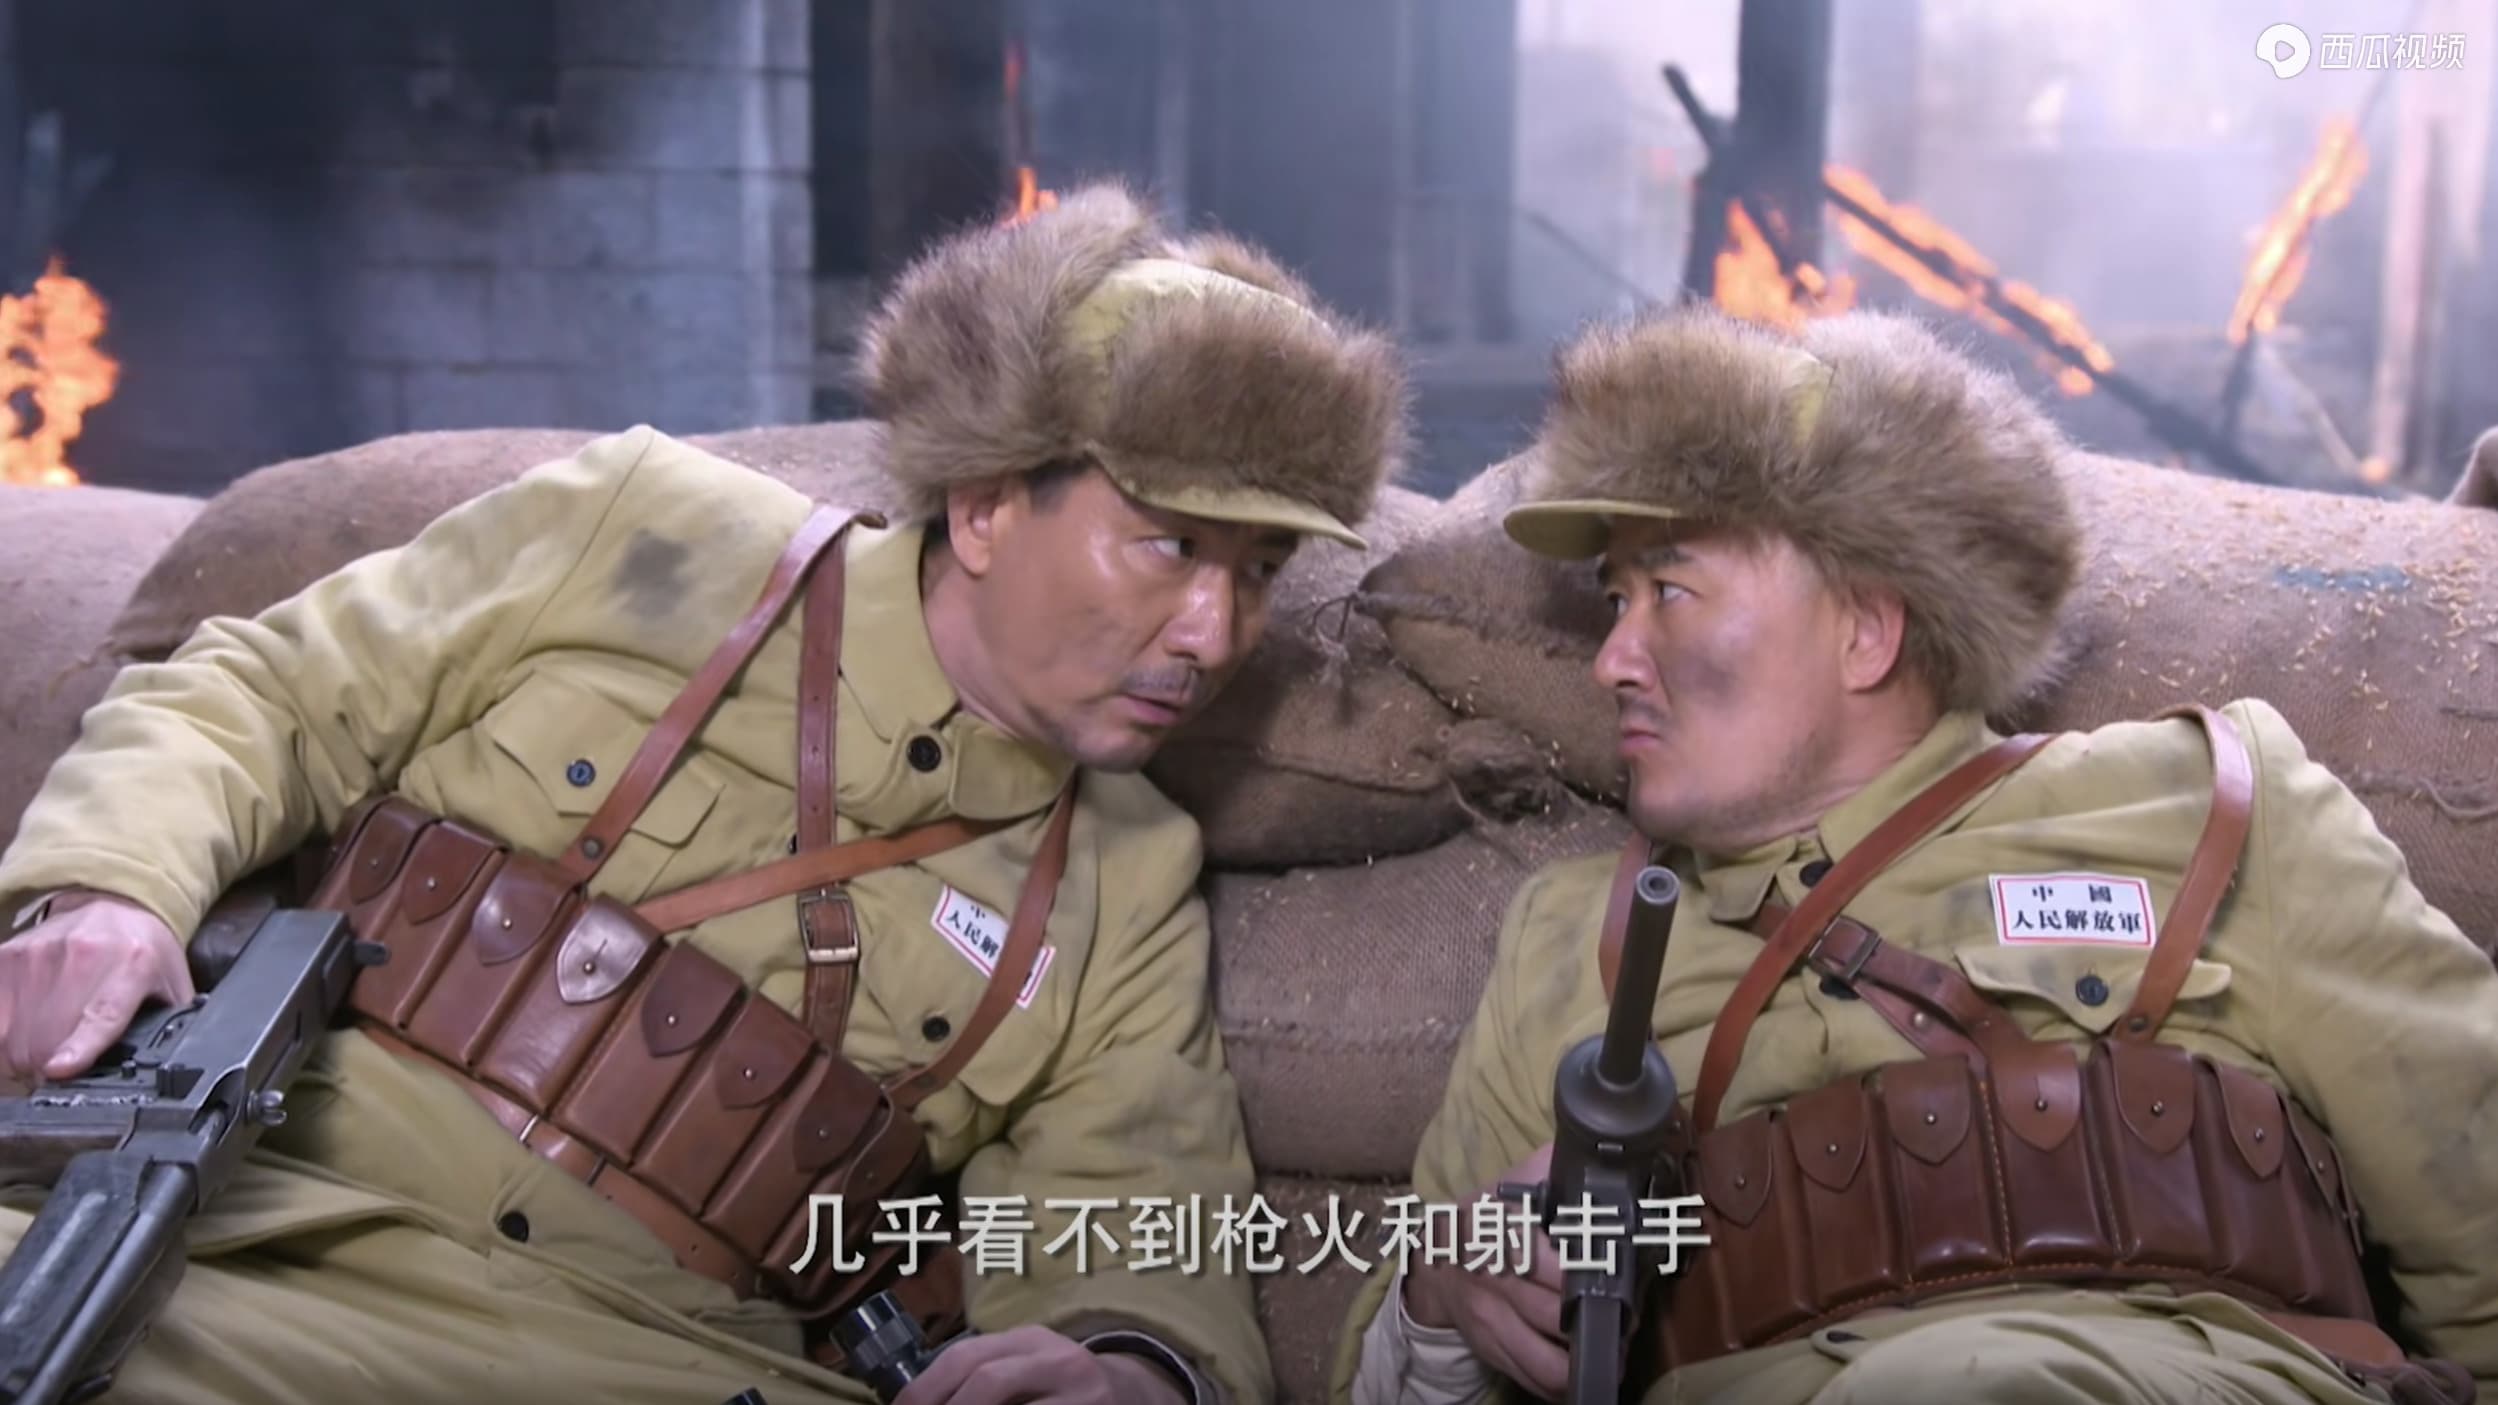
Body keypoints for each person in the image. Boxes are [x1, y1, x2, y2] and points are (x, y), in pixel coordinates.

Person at [0, 182, 1408, 1405]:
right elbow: (263, 694)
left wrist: (1129, 1364)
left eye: (1259, 573)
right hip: (247, 1231)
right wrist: (110, 887)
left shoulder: (1126, 878)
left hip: (649, 1357)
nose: (1215, 634)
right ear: (986, 505)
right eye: (1168, 547)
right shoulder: (650, 528)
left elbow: (1136, 1212)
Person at [1332, 306, 2496, 1405]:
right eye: (1612, 600)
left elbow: (2479, 1236)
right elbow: (1386, 1371)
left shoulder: (2207, 808)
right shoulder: (1570, 941)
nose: (1612, 661)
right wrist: (1448, 1291)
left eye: (1669, 592)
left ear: (1865, 629)